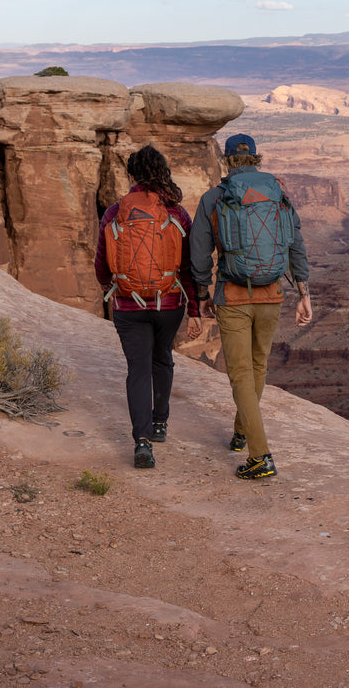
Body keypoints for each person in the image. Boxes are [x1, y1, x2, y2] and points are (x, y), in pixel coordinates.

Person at [190, 133, 312, 480]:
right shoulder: (277, 194)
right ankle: (242, 432)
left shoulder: (214, 198)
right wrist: (304, 292)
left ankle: (260, 456)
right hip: (272, 293)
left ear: (227, 160)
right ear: (256, 159)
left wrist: (201, 297)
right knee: (258, 366)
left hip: (234, 295)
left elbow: (199, 255)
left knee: (241, 372)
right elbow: (295, 244)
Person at [95, 145, 202, 469]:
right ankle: (160, 423)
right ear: (162, 173)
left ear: (131, 175)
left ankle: (142, 442)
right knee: (163, 358)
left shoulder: (115, 213)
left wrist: (113, 288)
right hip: (169, 303)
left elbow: (102, 262)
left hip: (128, 306)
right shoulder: (177, 214)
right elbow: (189, 266)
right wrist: (194, 308)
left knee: (137, 370)